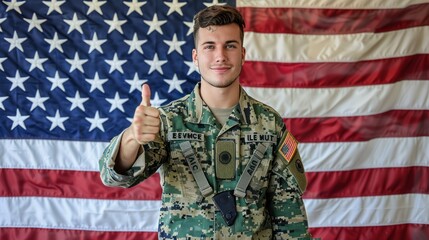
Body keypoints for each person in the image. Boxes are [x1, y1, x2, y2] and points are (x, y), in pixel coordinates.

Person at [99, 5, 313, 239]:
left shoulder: (269, 123)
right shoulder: (169, 121)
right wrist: (132, 136)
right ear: (196, 56)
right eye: (209, 46)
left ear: (242, 54)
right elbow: (115, 177)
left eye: (230, 46)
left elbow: (289, 213)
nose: (220, 56)